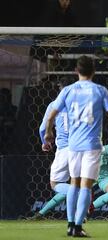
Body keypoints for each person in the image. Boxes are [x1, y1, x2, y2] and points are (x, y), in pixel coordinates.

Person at [44, 55, 108, 237]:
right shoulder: (100, 90)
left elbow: (51, 116)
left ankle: (70, 224)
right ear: (94, 71)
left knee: (74, 183)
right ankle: (78, 227)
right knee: (86, 186)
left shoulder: (67, 91)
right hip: (91, 145)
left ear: (76, 71)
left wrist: (49, 132)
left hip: (73, 145)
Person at [31, 77, 74, 219]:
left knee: (56, 184)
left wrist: (45, 142)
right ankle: (42, 214)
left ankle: (81, 195)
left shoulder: (54, 105)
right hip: (83, 148)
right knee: (76, 182)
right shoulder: (81, 104)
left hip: (65, 149)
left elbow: (43, 128)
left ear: (60, 89)